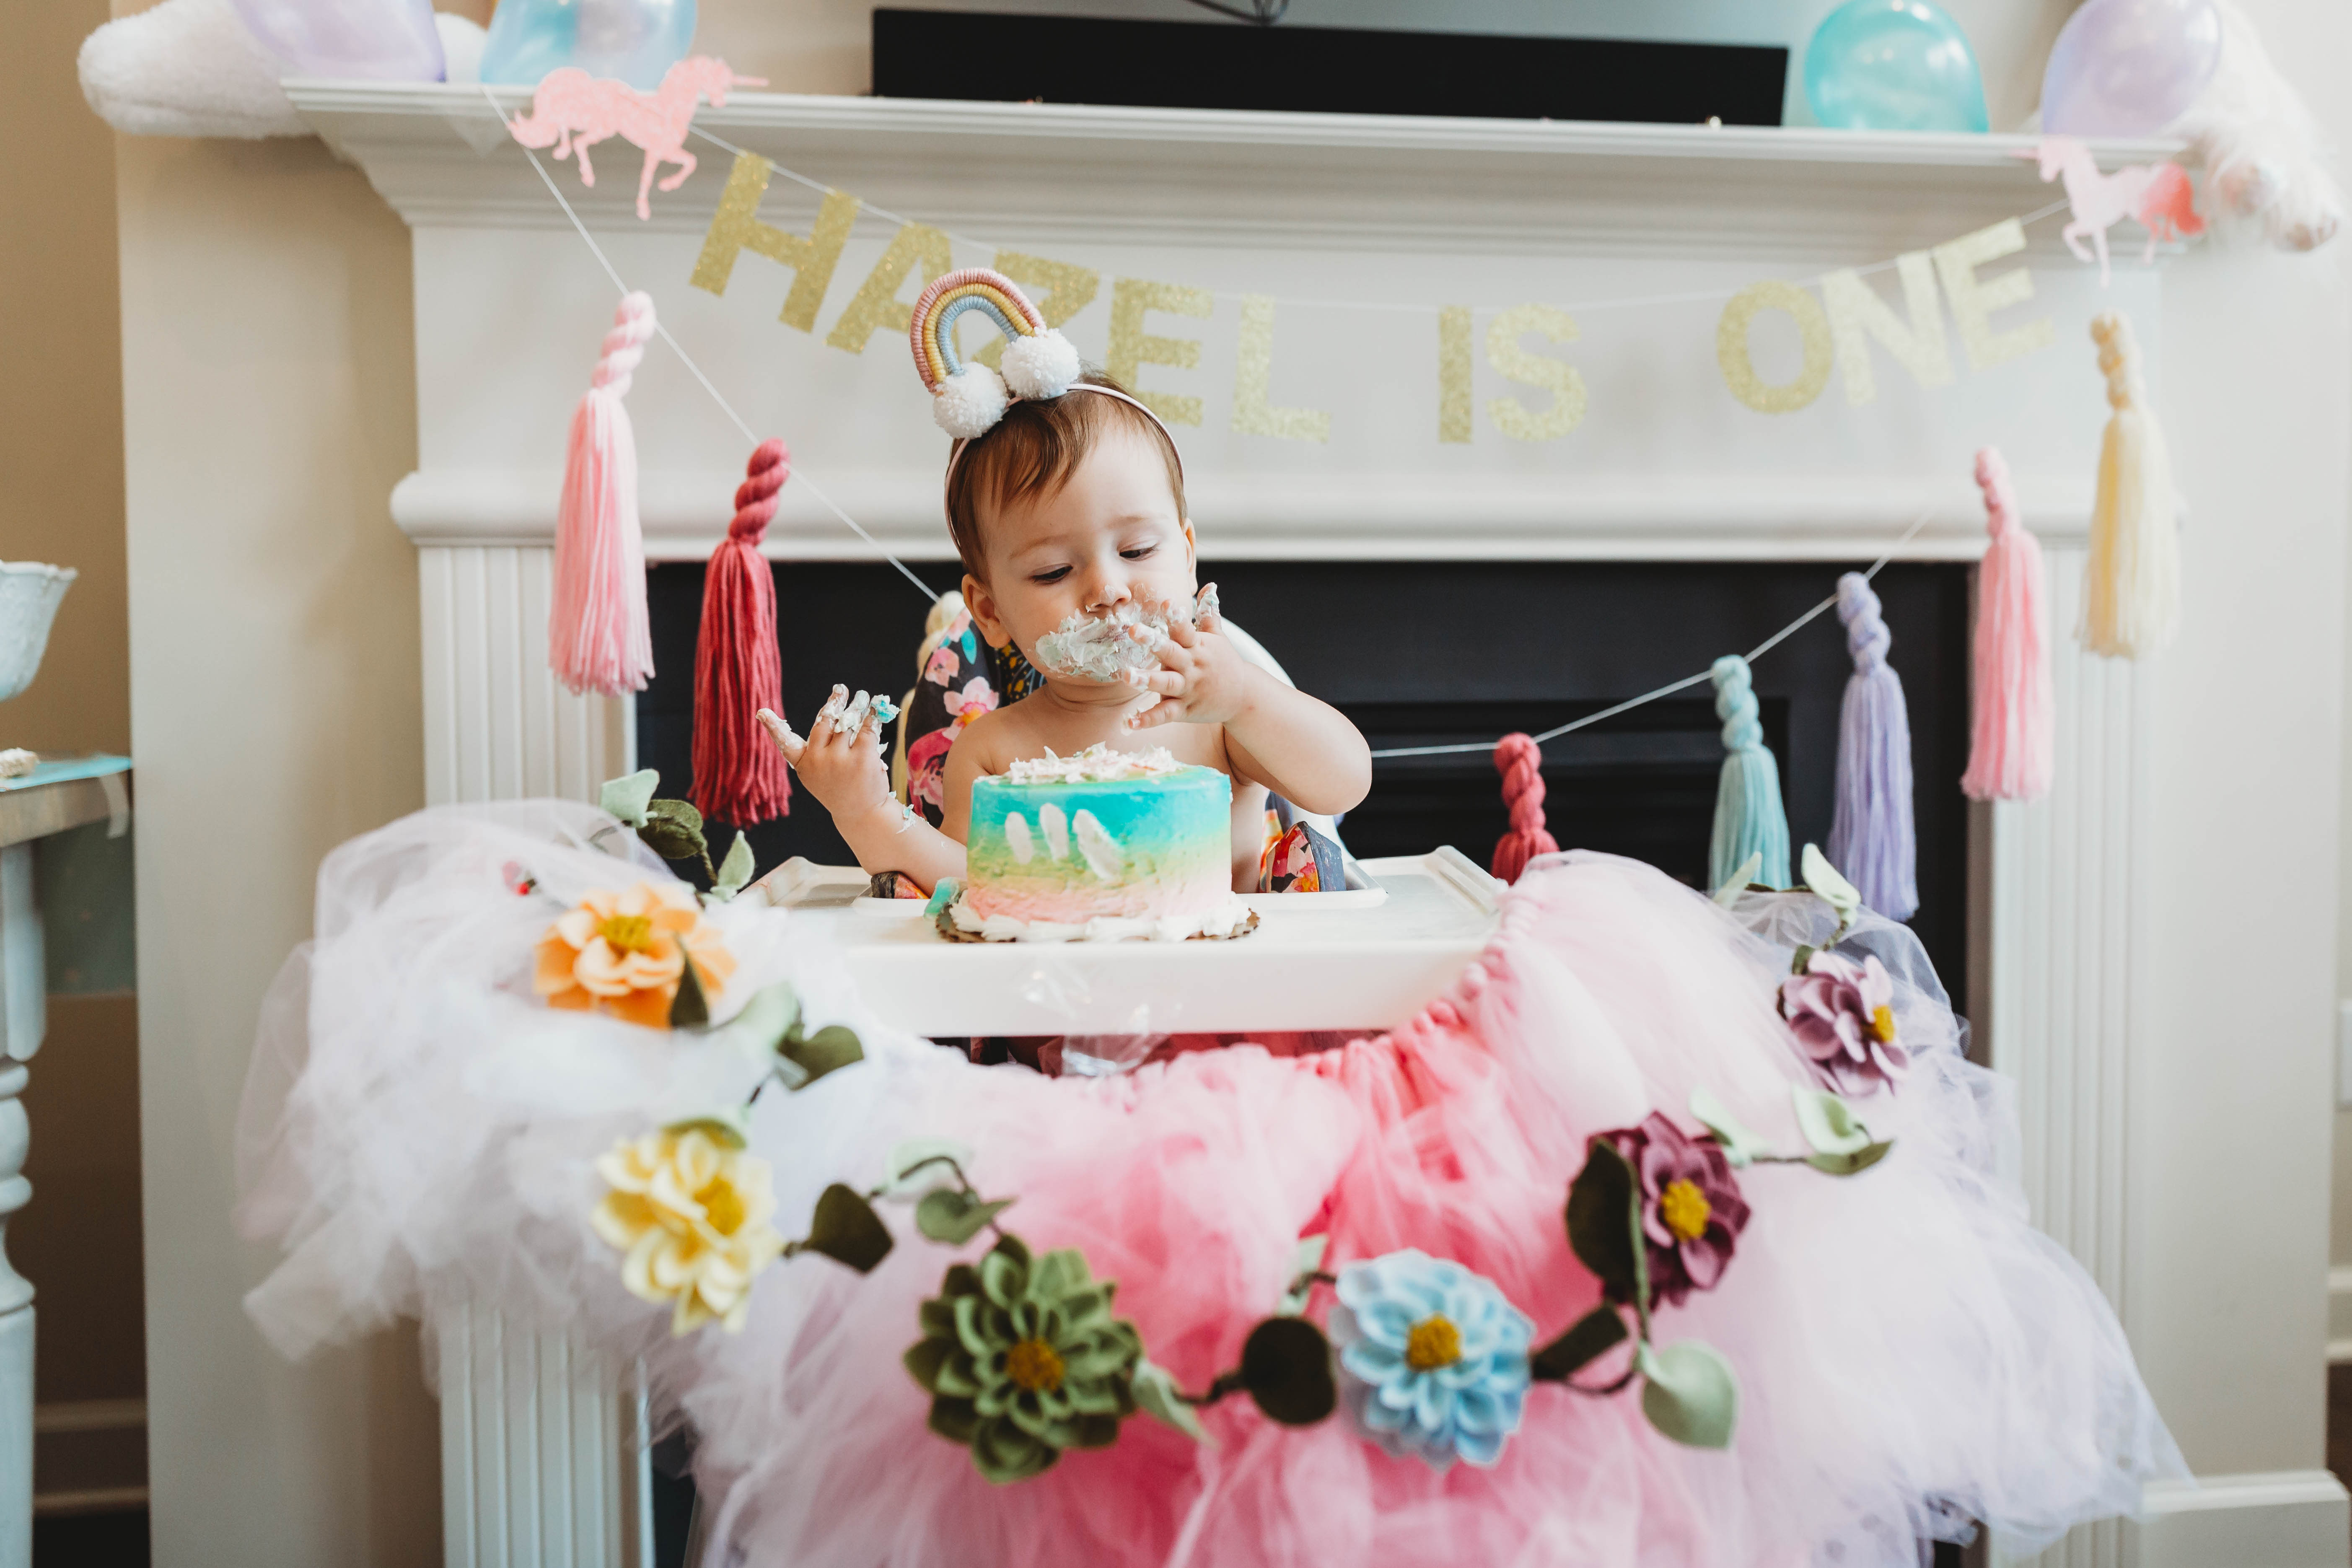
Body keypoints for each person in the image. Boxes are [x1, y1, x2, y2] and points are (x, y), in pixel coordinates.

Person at [759, 351, 1369, 893]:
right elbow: (966, 886)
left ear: (1186, 558)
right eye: (1053, 571)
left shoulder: (1220, 727)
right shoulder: (993, 750)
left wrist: (1245, 698)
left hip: (1221, 997)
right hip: (1044, 1006)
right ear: (991, 612)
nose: (1106, 589)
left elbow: (1345, 783)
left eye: (1136, 552)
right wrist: (863, 808)